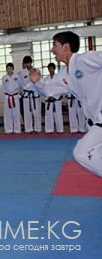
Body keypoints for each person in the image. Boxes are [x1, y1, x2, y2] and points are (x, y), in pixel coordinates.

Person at [29, 31, 102, 177]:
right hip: (95, 121)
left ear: (66, 46)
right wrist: (37, 82)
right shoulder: (64, 73)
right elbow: (50, 91)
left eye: (55, 45)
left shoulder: (84, 59)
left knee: (82, 152)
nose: (52, 50)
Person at [43, 63, 64, 133]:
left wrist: (56, 96)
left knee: (58, 115)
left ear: (54, 69)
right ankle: (49, 129)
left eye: (51, 68)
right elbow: (43, 89)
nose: (50, 70)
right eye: (49, 68)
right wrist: (48, 96)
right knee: (48, 115)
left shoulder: (58, 78)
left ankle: (60, 129)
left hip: (56, 99)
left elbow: (61, 88)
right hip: (48, 99)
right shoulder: (45, 79)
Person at [2, 63, 22, 134]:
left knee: (16, 113)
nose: (9, 70)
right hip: (7, 97)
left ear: (13, 69)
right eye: (8, 68)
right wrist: (5, 96)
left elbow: (20, 86)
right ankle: (8, 129)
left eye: (10, 68)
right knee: (7, 114)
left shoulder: (17, 76)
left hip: (15, 96)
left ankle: (17, 129)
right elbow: (3, 88)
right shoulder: (4, 77)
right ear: (6, 69)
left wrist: (18, 94)